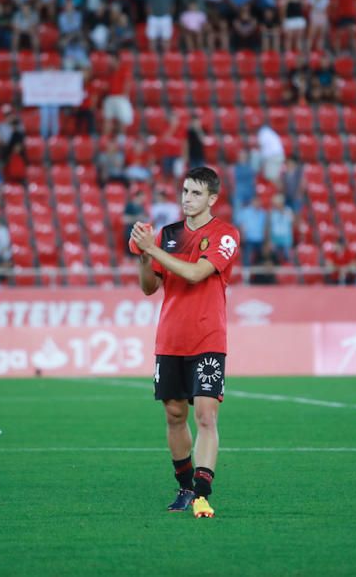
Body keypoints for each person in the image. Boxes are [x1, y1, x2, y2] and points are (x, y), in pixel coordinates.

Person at [130, 166, 240, 519]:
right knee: (175, 414)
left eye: (195, 193)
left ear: (212, 198)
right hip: (171, 338)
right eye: (184, 191)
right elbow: (149, 287)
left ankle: (203, 495)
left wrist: (153, 249)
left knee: (206, 416)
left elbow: (195, 274)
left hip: (208, 336)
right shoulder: (168, 235)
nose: (187, 198)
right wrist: (145, 256)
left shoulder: (225, 235)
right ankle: (185, 487)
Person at [235, 195, 266, 266]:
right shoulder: (245, 212)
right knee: (247, 258)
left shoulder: (263, 213)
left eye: (258, 202)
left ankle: (258, 275)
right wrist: (242, 235)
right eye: (255, 202)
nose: (257, 203)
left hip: (260, 239)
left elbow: (265, 227)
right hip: (249, 239)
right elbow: (240, 224)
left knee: (260, 259)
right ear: (252, 202)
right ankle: (246, 275)